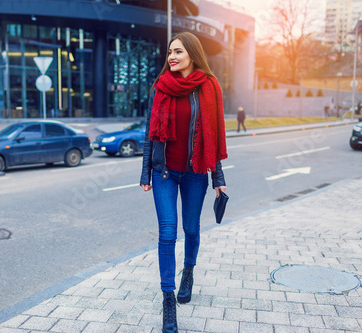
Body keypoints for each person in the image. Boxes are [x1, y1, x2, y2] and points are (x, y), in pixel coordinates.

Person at [140, 32, 227, 333]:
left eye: (178, 51)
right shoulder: (160, 88)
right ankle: (168, 301)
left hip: (194, 172)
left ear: (192, 53)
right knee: (167, 233)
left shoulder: (209, 87)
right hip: (164, 173)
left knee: (191, 228)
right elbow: (149, 135)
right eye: (169, 52)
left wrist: (218, 177)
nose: (172, 57)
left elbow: (214, 136)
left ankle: (187, 272)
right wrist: (144, 173)